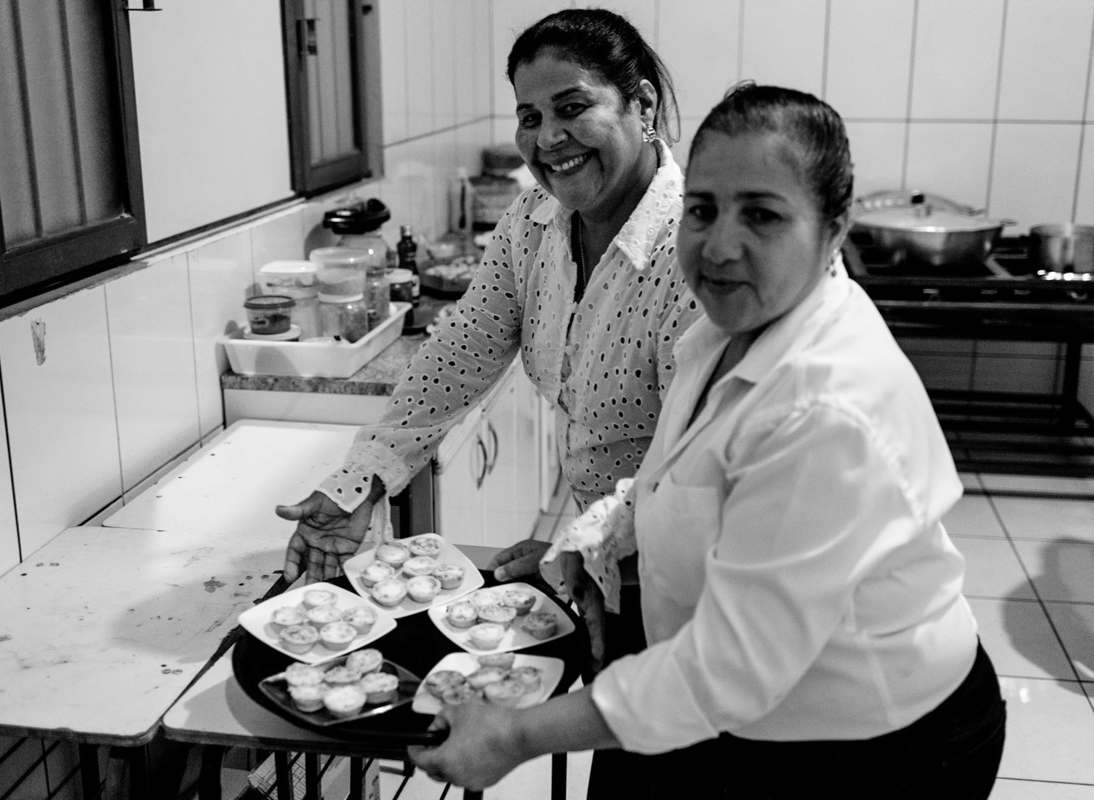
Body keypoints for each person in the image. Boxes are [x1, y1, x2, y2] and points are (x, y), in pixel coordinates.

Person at [407, 83, 1007, 799]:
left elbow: (730, 669)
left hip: (874, 743)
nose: (720, 246)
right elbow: (677, 477)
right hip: (754, 709)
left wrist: (514, 735)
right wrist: (592, 545)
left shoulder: (825, 408)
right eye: (703, 210)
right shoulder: (726, 330)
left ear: (835, 226)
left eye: (761, 214)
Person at [277, 9, 697, 661]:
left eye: (572, 107)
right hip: (603, 566)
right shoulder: (534, 223)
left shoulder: (694, 255)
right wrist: (364, 479)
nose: (550, 137)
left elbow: (692, 465)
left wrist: (578, 549)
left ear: (641, 106)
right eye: (530, 117)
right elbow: (459, 352)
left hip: (683, 577)